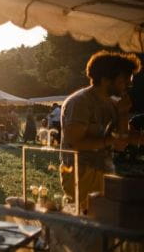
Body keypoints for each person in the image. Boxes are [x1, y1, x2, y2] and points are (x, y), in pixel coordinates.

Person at [60, 51, 141, 212]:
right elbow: (75, 143)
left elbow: (120, 145)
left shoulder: (113, 105)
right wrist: (111, 140)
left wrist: (123, 114)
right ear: (105, 80)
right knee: (86, 221)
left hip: (105, 172)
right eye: (123, 81)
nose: (128, 86)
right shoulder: (80, 102)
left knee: (107, 219)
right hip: (80, 174)